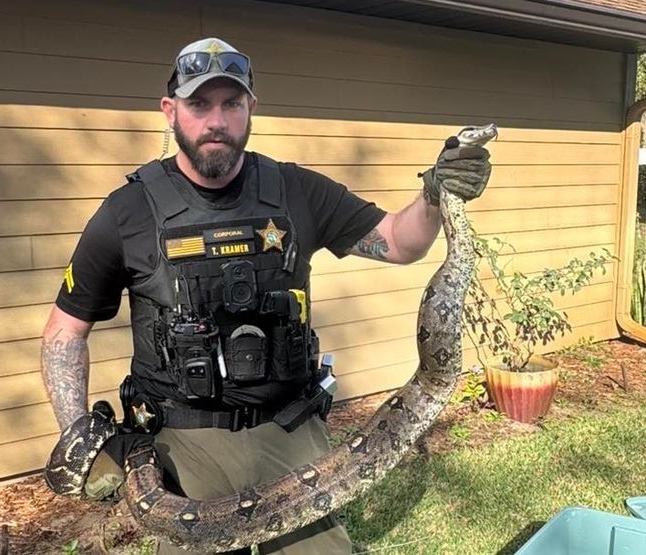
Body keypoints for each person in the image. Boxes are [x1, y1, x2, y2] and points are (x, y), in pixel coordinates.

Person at [40, 37, 491, 555]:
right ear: (170, 110)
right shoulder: (127, 212)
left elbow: (400, 242)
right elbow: (64, 333)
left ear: (251, 107)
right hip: (179, 438)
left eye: (231, 103)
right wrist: (79, 438)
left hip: (287, 425)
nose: (216, 120)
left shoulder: (296, 191)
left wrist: (435, 194)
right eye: (198, 103)